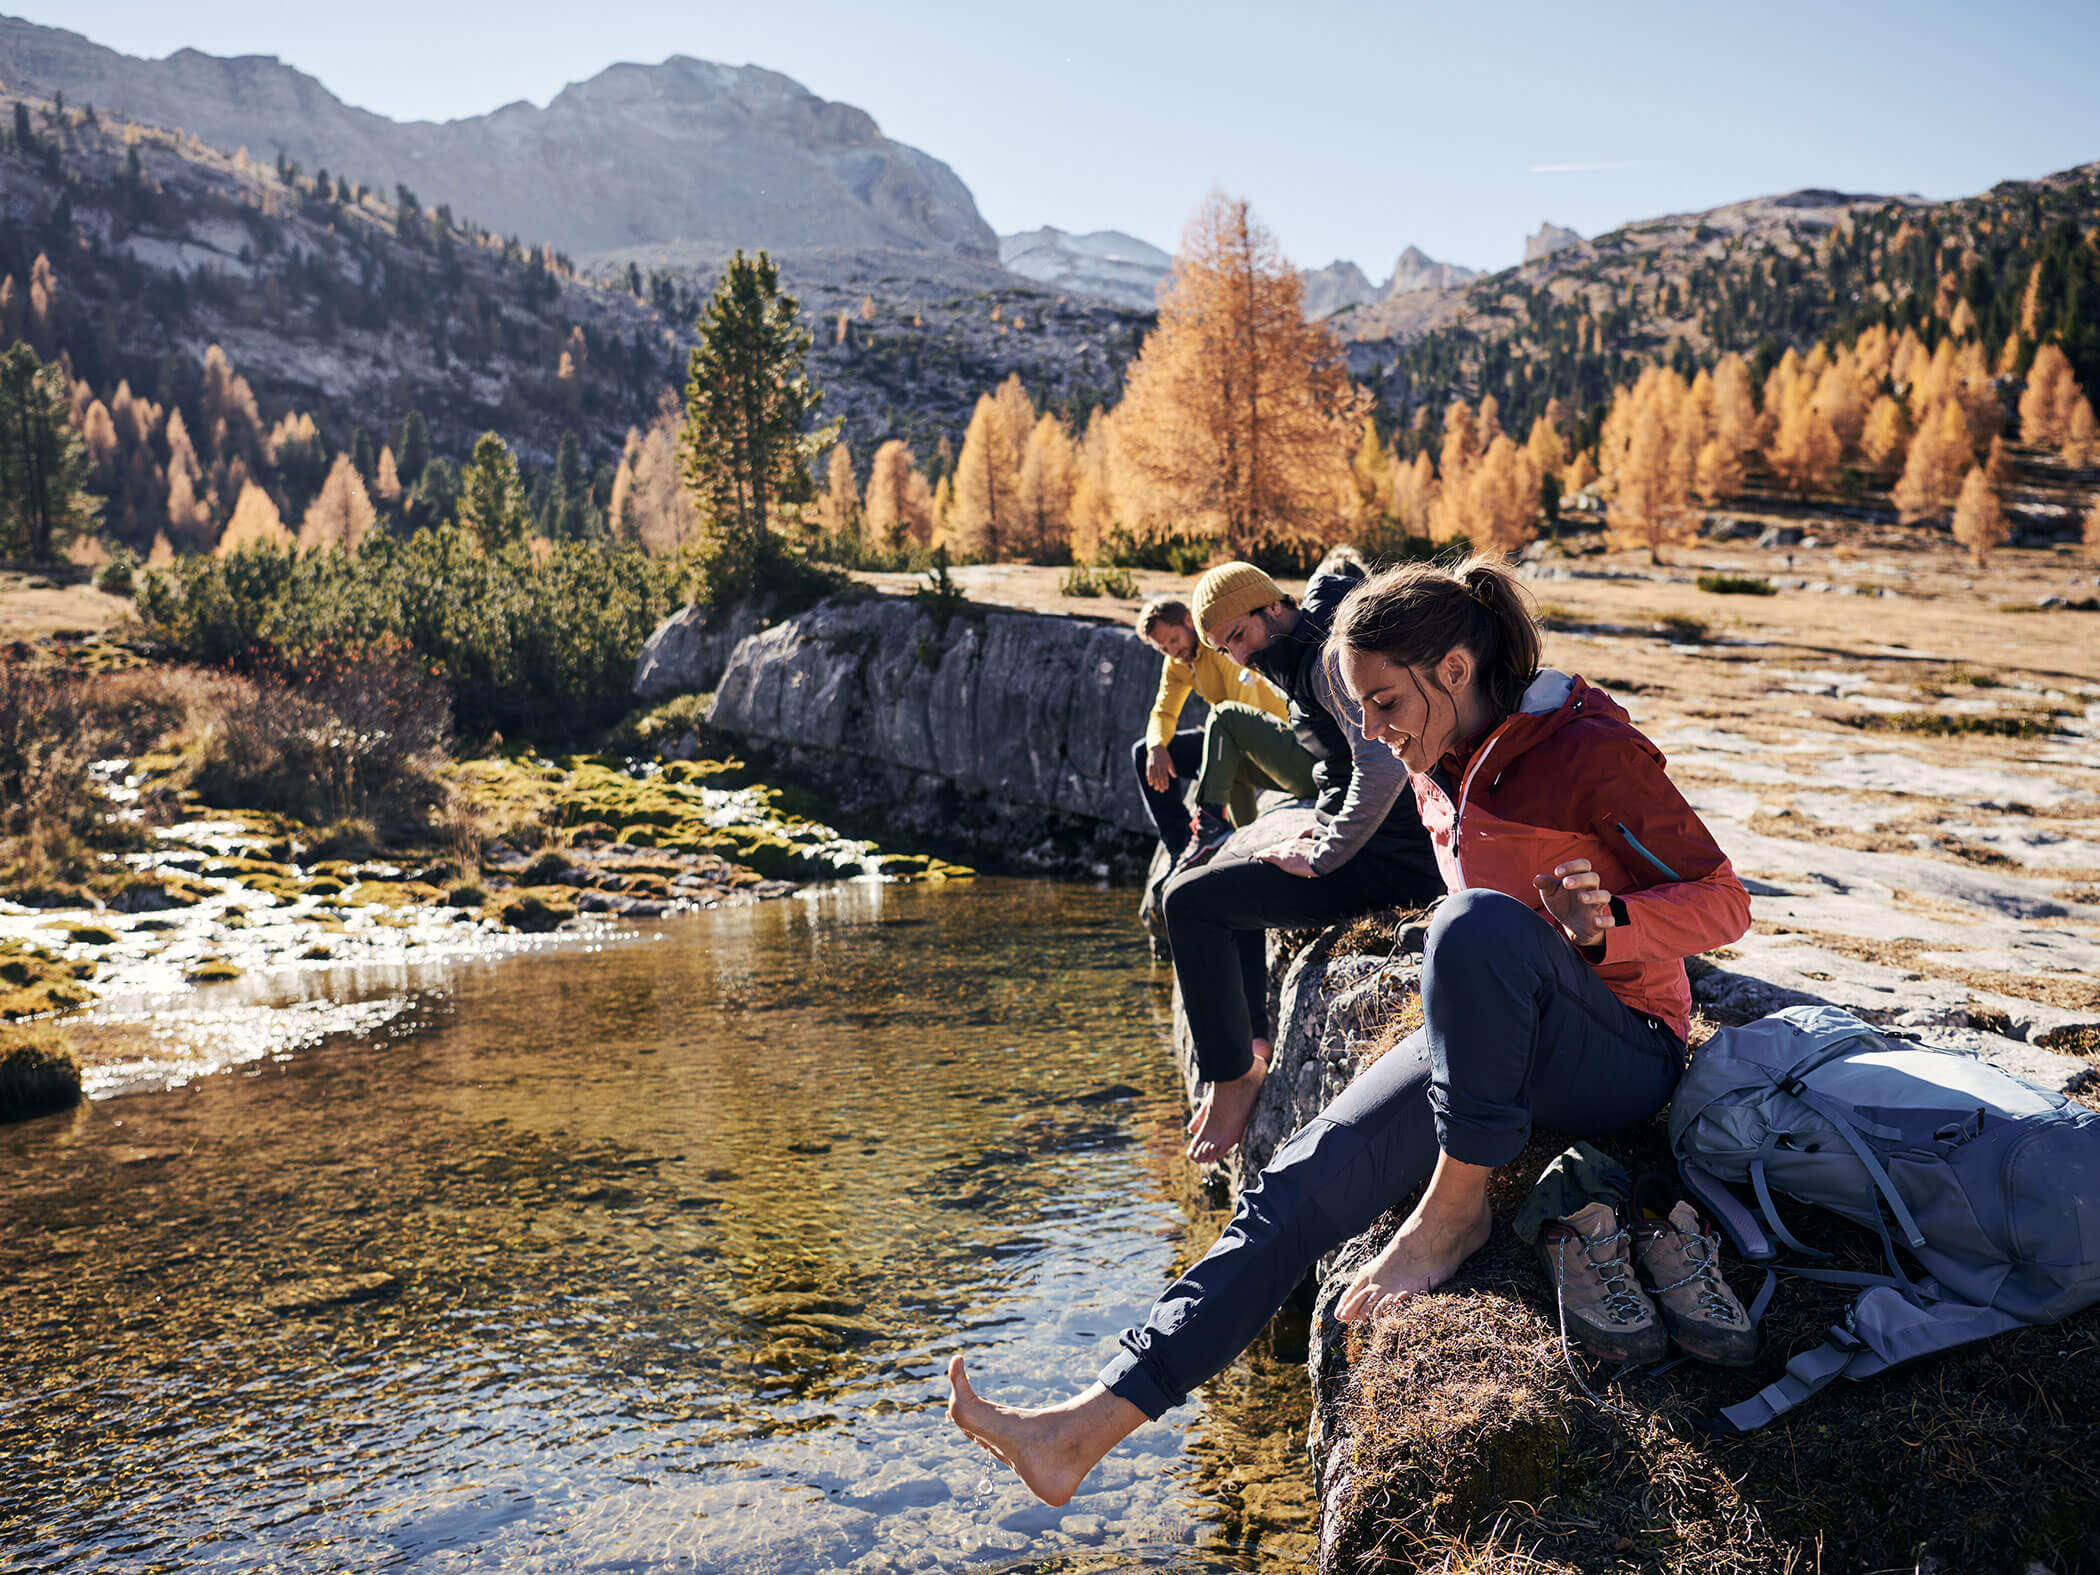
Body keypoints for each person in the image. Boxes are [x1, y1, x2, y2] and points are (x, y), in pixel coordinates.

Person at [947, 555, 1752, 1510]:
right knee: (1297, 1177)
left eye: (1382, 703)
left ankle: (1453, 1215)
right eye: (1358, 707)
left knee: (1475, 922)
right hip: (1498, 1040)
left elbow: (1725, 901)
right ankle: (1082, 1427)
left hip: (1622, 1046)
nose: (1369, 730)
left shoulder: (1586, 749)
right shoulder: (1434, 761)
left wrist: (1609, 920)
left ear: (1454, 670)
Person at [1166, 555, 1442, 1162]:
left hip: (1387, 863)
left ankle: (1234, 1076)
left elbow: (1381, 765)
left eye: (1239, 636)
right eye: (1223, 647)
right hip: (1376, 848)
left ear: (1273, 608)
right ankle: (1252, 1050)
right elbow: (1341, 770)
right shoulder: (1309, 647)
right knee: (1220, 880)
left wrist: (1323, 853)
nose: (1238, 657)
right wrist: (1315, 831)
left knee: (1188, 902)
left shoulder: (1326, 660)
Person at [1130, 595, 1300, 865]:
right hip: (1225, 735)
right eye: (1163, 648)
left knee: (1221, 724)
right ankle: (1182, 849)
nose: (1172, 651)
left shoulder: (1221, 647)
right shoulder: (1177, 663)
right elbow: (1163, 711)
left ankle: (1216, 828)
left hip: (1263, 737)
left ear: (1189, 620)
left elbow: (1239, 711)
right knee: (1143, 754)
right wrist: (1157, 747)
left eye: (1174, 640)